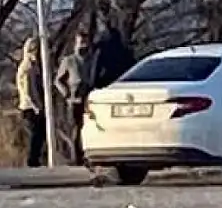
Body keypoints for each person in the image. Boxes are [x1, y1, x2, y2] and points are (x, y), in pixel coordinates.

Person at [54, 32, 95, 164]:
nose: (83, 45)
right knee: (76, 128)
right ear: (75, 44)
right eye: (80, 42)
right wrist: (65, 93)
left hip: (88, 96)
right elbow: (58, 80)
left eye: (85, 42)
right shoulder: (69, 60)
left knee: (89, 126)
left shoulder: (91, 60)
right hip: (74, 97)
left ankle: (88, 154)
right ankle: (76, 156)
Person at [15, 37, 46, 167]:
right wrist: (36, 106)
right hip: (30, 107)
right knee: (36, 134)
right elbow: (28, 90)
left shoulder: (34, 66)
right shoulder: (27, 67)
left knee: (40, 133)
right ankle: (32, 160)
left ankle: (36, 158)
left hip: (34, 105)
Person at [91, 25, 136, 90]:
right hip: (123, 81)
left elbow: (95, 69)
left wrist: (94, 84)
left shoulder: (102, 50)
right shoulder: (123, 50)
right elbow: (132, 65)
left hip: (108, 81)